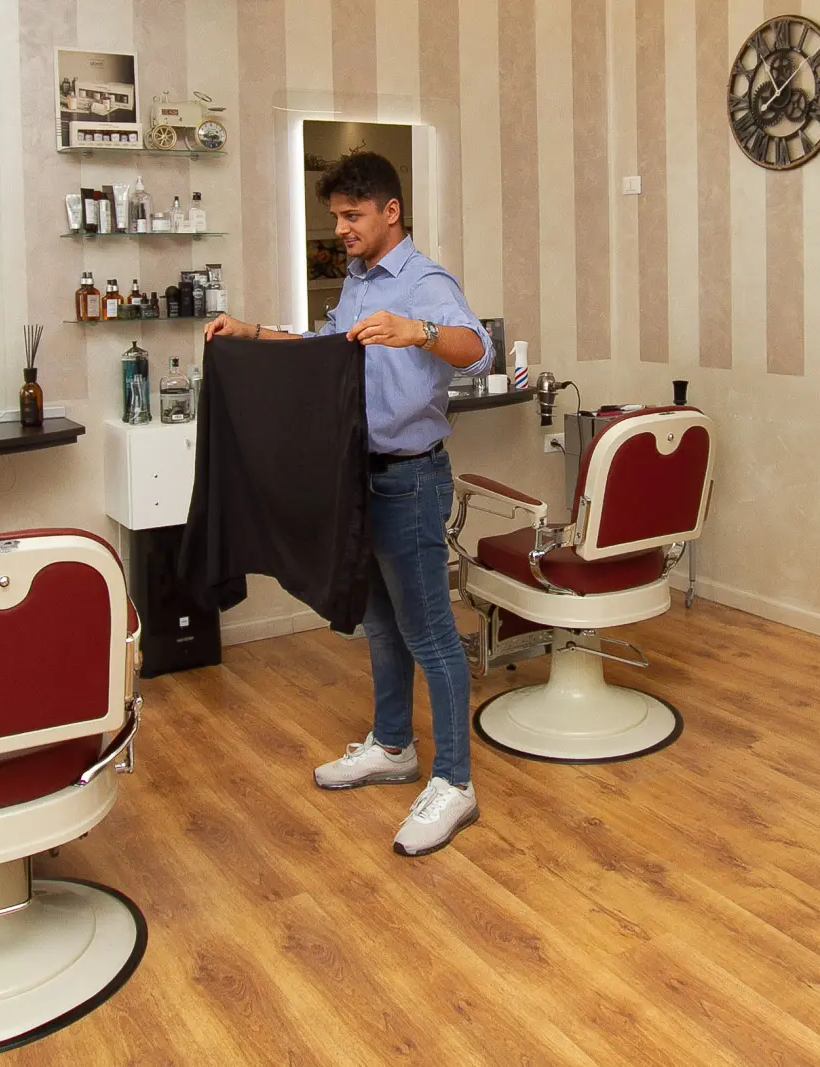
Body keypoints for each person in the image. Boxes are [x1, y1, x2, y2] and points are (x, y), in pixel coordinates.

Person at [205, 151, 494, 856]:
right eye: (336, 216)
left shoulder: (425, 282)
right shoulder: (359, 283)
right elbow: (323, 348)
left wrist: (417, 330)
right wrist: (251, 332)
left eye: (352, 215)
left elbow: (479, 349)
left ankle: (455, 781)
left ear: (391, 211)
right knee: (382, 624)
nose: (340, 228)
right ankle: (393, 745)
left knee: (429, 632)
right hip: (357, 478)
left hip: (410, 481)